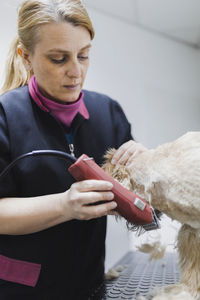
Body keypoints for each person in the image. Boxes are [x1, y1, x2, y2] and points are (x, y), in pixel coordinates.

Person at [0, 0, 145, 299]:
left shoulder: (108, 112)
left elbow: (136, 200)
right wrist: (64, 206)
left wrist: (145, 164)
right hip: (21, 287)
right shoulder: (5, 116)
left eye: (84, 56)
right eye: (58, 59)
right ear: (25, 56)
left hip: (89, 285)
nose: (76, 71)